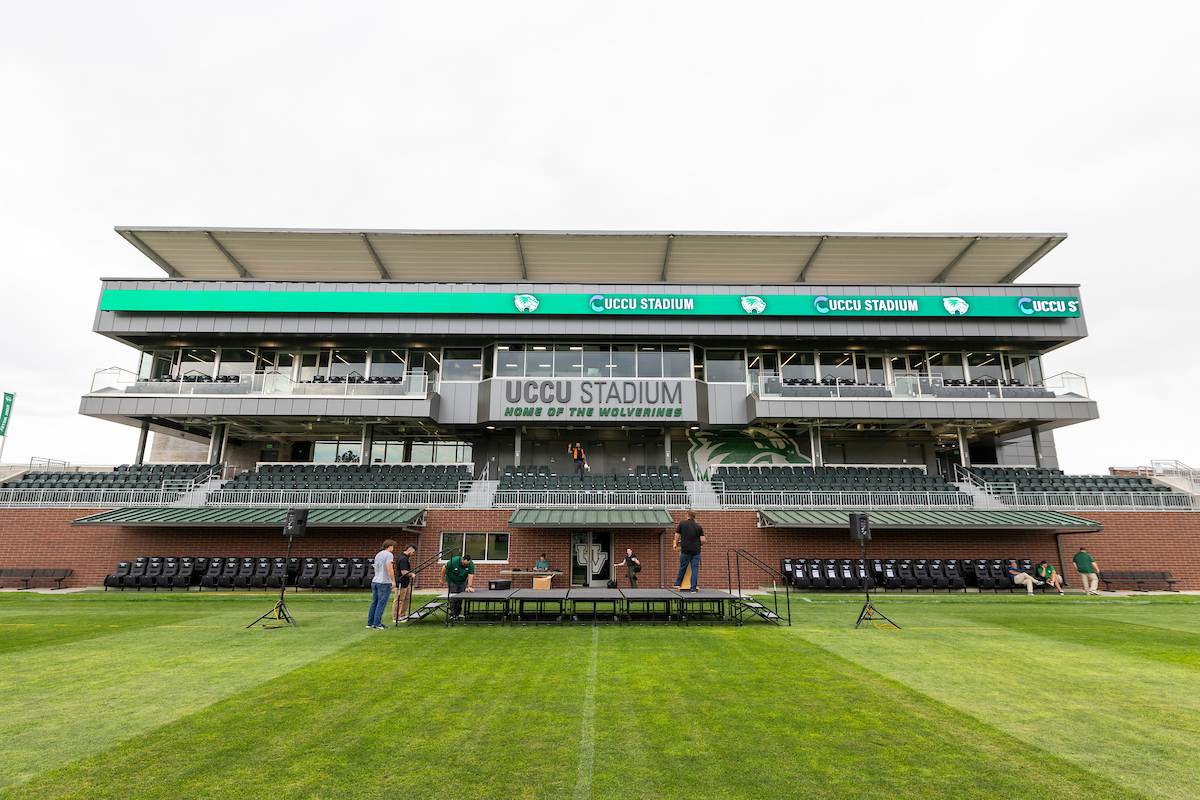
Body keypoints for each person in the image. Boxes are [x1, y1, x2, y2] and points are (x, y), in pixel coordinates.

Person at [673, 509, 705, 592]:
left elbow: (677, 535)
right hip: (696, 551)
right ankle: (693, 588)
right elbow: (703, 540)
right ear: (694, 517)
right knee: (695, 569)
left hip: (686, 549)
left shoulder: (682, 524)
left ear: (687, 515)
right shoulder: (698, 526)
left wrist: (675, 544)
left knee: (683, 566)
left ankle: (678, 583)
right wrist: (699, 545)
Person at [367, 539, 397, 629]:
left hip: (375, 580)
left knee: (374, 602)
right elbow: (389, 568)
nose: (393, 548)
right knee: (381, 603)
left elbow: (375, 569)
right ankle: (377, 624)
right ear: (390, 546)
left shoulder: (378, 554)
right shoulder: (389, 555)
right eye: (393, 546)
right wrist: (393, 581)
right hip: (384, 582)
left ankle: (370, 623)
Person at [441, 553, 475, 617]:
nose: (465, 565)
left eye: (467, 564)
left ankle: (458, 612)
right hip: (452, 580)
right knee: (453, 596)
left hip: (462, 581)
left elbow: (471, 575)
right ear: (462, 560)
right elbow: (444, 568)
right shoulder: (454, 561)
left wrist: (469, 586)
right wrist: (442, 580)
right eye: (464, 564)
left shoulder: (471, 564)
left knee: (460, 597)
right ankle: (453, 613)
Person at [391, 545, 417, 624]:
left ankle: (402, 614)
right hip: (401, 582)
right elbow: (403, 571)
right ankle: (396, 617)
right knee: (399, 599)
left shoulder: (406, 558)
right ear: (409, 550)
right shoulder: (403, 559)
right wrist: (411, 575)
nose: (413, 554)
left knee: (406, 598)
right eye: (413, 552)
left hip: (406, 582)